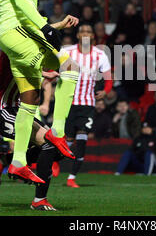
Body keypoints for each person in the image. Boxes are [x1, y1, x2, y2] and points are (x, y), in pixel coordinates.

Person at [0, 0, 81, 184]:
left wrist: (51, 25)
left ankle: (18, 161)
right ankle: (58, 131)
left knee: (30, 99)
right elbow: (20, 2)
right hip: (14, 32)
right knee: (71, 66)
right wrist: (45, 27)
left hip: (24, 34)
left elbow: (28, 11)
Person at [0, 51, 63, 210]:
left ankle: (5, 160)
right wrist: (44, 73)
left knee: (57, 148)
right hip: (4, 112)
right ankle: (39, 200)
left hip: (18, 111)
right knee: (49, 144)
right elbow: (21, 67)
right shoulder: (10, 50)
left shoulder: (23, 49)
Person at [63, 23, 112, 188]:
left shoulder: (100, 55)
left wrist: (106, 91)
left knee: (82, 139)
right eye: (82, 31)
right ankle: (54, 162)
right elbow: (50, 66)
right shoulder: (67, 52)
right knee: (67, 141)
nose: (85, 33)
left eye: (88, 31)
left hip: (87, 104)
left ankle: (71, 177)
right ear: (77, 35)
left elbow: (108, 77)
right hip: (68, 103)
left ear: (92, 36)